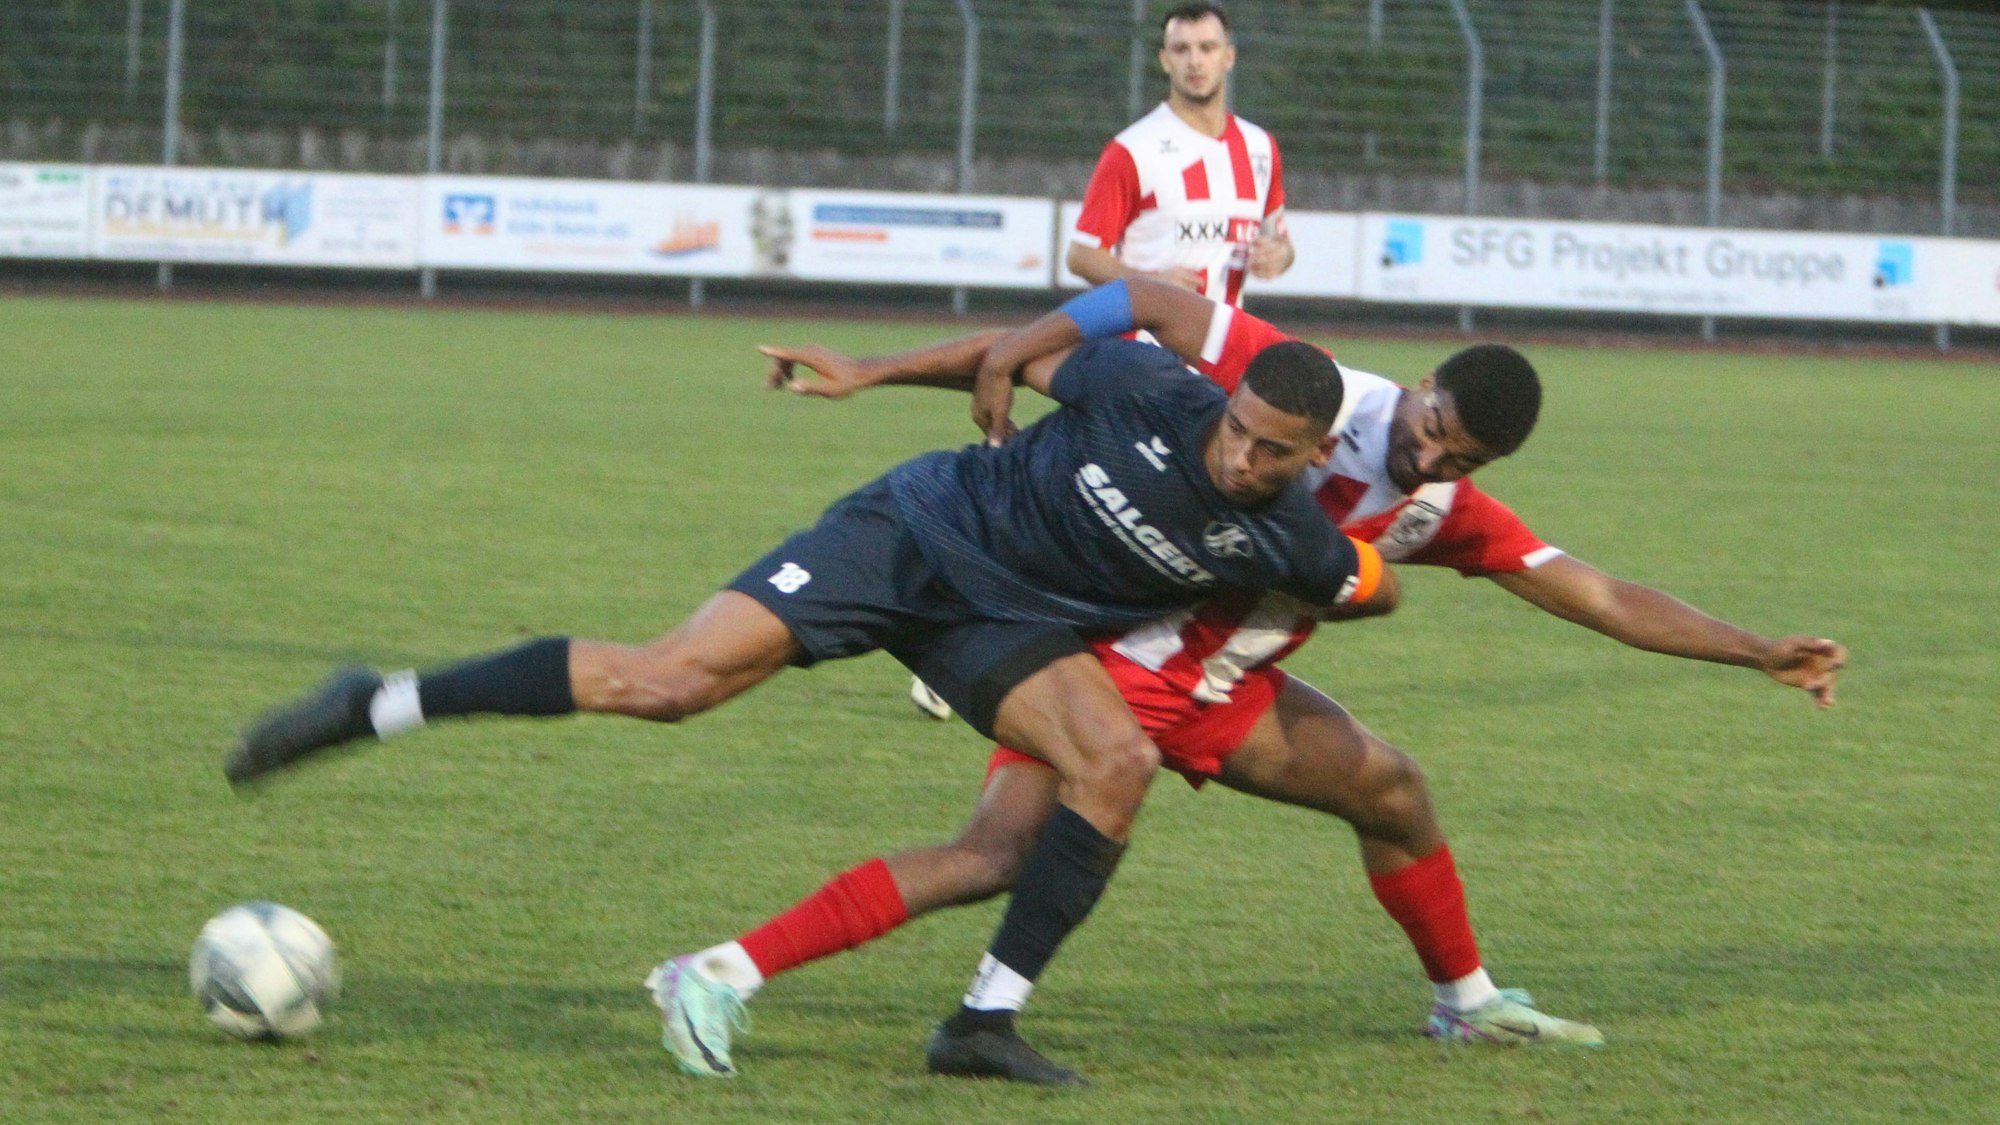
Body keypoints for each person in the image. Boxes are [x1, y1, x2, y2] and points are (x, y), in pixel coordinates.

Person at [649, 278, 1848, 1084]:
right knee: (993, 854)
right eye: (1430, 425)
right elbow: (1131, 314)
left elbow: (1590, 592)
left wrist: (1753, 650)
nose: (1426, 454)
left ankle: (1466, 999)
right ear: (1418, 384)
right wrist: (874, 368)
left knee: (1391, 790)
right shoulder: (1291, 381)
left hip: (1226, 691)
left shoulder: (1438, 505)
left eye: (1456, 454)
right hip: (1099, 668)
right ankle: (725, 972)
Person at [222, 280, 1395, 1081]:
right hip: (910, 531)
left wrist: (1375, 570)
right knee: (669, 683)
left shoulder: (1292, 536)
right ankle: (374, 700)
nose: (1240, 456)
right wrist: (869, 373)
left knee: (1114, 762)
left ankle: (982, 1023)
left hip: (1007, 623)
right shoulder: (1154, 394)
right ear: (1228, 403)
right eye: (1239, 429)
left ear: (1312, 458)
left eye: (1270, 451)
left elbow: (1370, 582)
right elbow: (1014, 356)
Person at [1068, 2, 1294, 303]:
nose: (1194, 61)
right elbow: (1081, 256)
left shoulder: (1261, 147)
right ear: (1165, 60)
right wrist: (1151, 282)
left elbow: (1280, 241)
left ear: (1229, 57)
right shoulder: (1133, 150)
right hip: (1146, 344)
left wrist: (1280, 256)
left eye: (1207, 48)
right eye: (1181, 49)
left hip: (1222, 344)